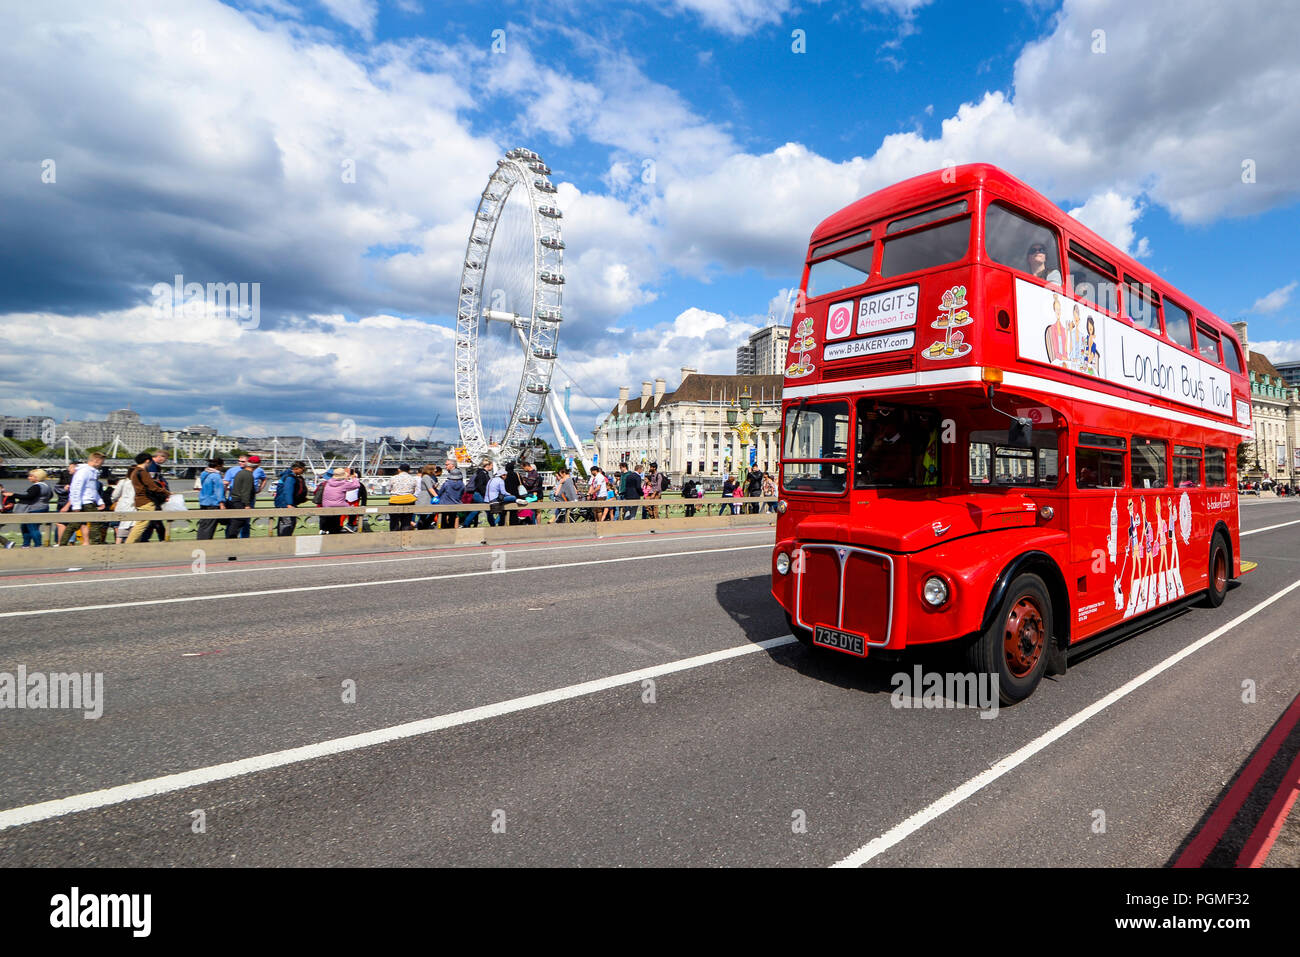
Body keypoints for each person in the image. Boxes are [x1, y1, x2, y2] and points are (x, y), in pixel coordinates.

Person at [59, 453, 107, 546]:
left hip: (88, 501)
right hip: (85, 502)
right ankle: (95, 544)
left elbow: (92, 489)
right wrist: (76, 505)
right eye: (102, 461)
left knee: (75, 524)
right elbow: (76, 488)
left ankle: (62, 544)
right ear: (97, 460)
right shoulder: (84, 471)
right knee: (96, 522)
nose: (102, 464)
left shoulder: (92, 472)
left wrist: (99, 501)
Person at [12, 468, 54, 547]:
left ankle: (35, 545)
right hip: (44, 507)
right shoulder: (46, 486)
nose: (29, 477)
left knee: (31, 528)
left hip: (33, 509)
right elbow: (50, 495)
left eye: (31, 476)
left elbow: (29, 496)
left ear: (37, 477)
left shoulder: (36, 486)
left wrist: (13, 495)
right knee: (30, 527)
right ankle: (29, 544)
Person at [318, 466, 359, 534]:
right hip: (339, 504)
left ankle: (326, 529)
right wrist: (353, 477)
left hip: (326, 505)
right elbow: (357, 485)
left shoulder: (328, 482)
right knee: (353, 510)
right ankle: (350, 524)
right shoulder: (344, 484)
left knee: (333, 519)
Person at [273, 461, 308, 536]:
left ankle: (283, 539)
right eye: (303, 469)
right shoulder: (290, 478)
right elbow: (288, 491)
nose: (303, 472)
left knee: (285, 523)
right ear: (297, 468)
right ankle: (285, 541)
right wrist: (289, 504)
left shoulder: (286, 475)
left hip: (282, 503)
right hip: (285, 504)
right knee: (288, 523)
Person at [196, 457, 227, 540]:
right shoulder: (216, 476)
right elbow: (218, 490)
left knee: (203, 524)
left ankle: (200, 540)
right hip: (213, 503)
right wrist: (221, 503)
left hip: (203, 501)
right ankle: (206, 543)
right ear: (219, 466)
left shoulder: (204, 473)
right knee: (210, 526)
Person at [387, 463, 419, 531]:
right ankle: (405, 537)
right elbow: (415, 490)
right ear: (409, 470)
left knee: (394, 522)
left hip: (395, 501)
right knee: (406, 522)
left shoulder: (393, 478)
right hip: (409, 501)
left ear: (399, 470)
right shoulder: (412, 479)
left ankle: (394, 536)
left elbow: (389, 489)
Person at [438, 461, 465, 530]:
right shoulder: (462, 484)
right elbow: (462, 493)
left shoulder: (447, 483)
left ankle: (444, 531)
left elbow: (440, 493)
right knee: (452, 519)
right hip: (455, 503)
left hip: (445, 503)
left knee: (443, 519)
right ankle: (451, 531)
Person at [415, 464, 439, 530]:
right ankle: (421, 529)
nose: (436, 470)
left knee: (431, 514)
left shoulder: (429, 476)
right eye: (434, 469)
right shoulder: (426, 477)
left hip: (429, 496)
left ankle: (424, 528)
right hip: (425, 497)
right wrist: (437, 497)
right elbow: (430, 488)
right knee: (424, 515)